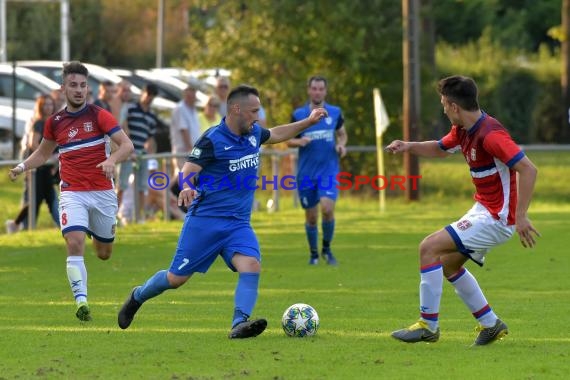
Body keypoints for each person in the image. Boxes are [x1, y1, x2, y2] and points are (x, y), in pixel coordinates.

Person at [117, 84, 328, 339]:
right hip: (205, 222)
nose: (257, 117)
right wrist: (185, 188)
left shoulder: (252, 134)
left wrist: (308, 121)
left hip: (238, 223)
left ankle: (239, 323)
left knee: (251, 265)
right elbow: (187, 171)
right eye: (254, 111)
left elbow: (275, 133)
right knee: (176, 279)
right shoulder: (212, 139)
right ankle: (137, 296)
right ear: (236, 109)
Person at [386, 75, 540, 346]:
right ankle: (491, 324)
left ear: (455, 106)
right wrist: (407, 146)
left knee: (428, 248)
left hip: (497, 218)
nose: (444, 109)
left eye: (445, 104)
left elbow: (528, 168)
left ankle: (428, 325)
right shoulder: (463, 130)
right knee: (446, 265)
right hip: (482, 210)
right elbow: (440, 147)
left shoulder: (491, 135)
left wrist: (522, 215)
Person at [8, 61, 134, 321]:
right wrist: (21, 167)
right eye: (73, 85)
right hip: (72, 193)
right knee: (74, 242)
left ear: (88, 88)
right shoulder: (54, 123)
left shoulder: (99, 115)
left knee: (103, 253)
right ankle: (81, 301)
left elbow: (127, 145)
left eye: (83, 85)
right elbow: (43, 154)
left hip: (102, 194)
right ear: (63, 88)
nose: (79, 90)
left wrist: (111, 160)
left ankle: (96, 233)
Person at [287, 76, 347, 266]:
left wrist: (341, 145)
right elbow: (288, 140)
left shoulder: (335, 113)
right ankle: (313, 254)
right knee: (311, 217)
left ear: (325, 91)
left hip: (328, 171)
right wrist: (299, 141)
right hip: (306, 173)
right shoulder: (299, 114)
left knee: (328, 209)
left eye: (321, 89)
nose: (317, 92)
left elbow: (342, 134)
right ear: (309, 90)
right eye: (314, 88)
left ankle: (327, 250)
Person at [5, 94, 59, 233]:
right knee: (37, 199)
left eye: (50, 104)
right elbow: (33, 144)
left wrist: (54, 162)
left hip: (48, 168)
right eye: (45, 104)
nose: (48, 107)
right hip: (37, 168)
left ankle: (17, 225)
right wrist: (46, 157)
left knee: (42, 198)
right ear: (40, 107)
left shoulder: (55, 122)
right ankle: (21, 226)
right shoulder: (39, 123)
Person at [117, 83, 159, 211]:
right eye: (148, 94)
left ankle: (140, 216)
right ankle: (113, 215)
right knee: (122, 185)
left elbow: (150, 138)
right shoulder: (131, 108)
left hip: (142, 153)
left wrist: (151, 157)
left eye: (152, 96)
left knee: (142, 186)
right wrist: (129, 149)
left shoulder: (152, 116)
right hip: (128, 152)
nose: (149, 98)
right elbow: (123, 127)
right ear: (143, 93)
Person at [170, 82, 202, 171]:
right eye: (190, 90)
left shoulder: (193, 109)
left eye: (194, 91)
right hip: (183, 152)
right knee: (185, 179)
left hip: (192, 152)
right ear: (185, 92)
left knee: (184, 179)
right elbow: (184, 130)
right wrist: (192, 152)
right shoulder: (180, 108)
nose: (192, 93)